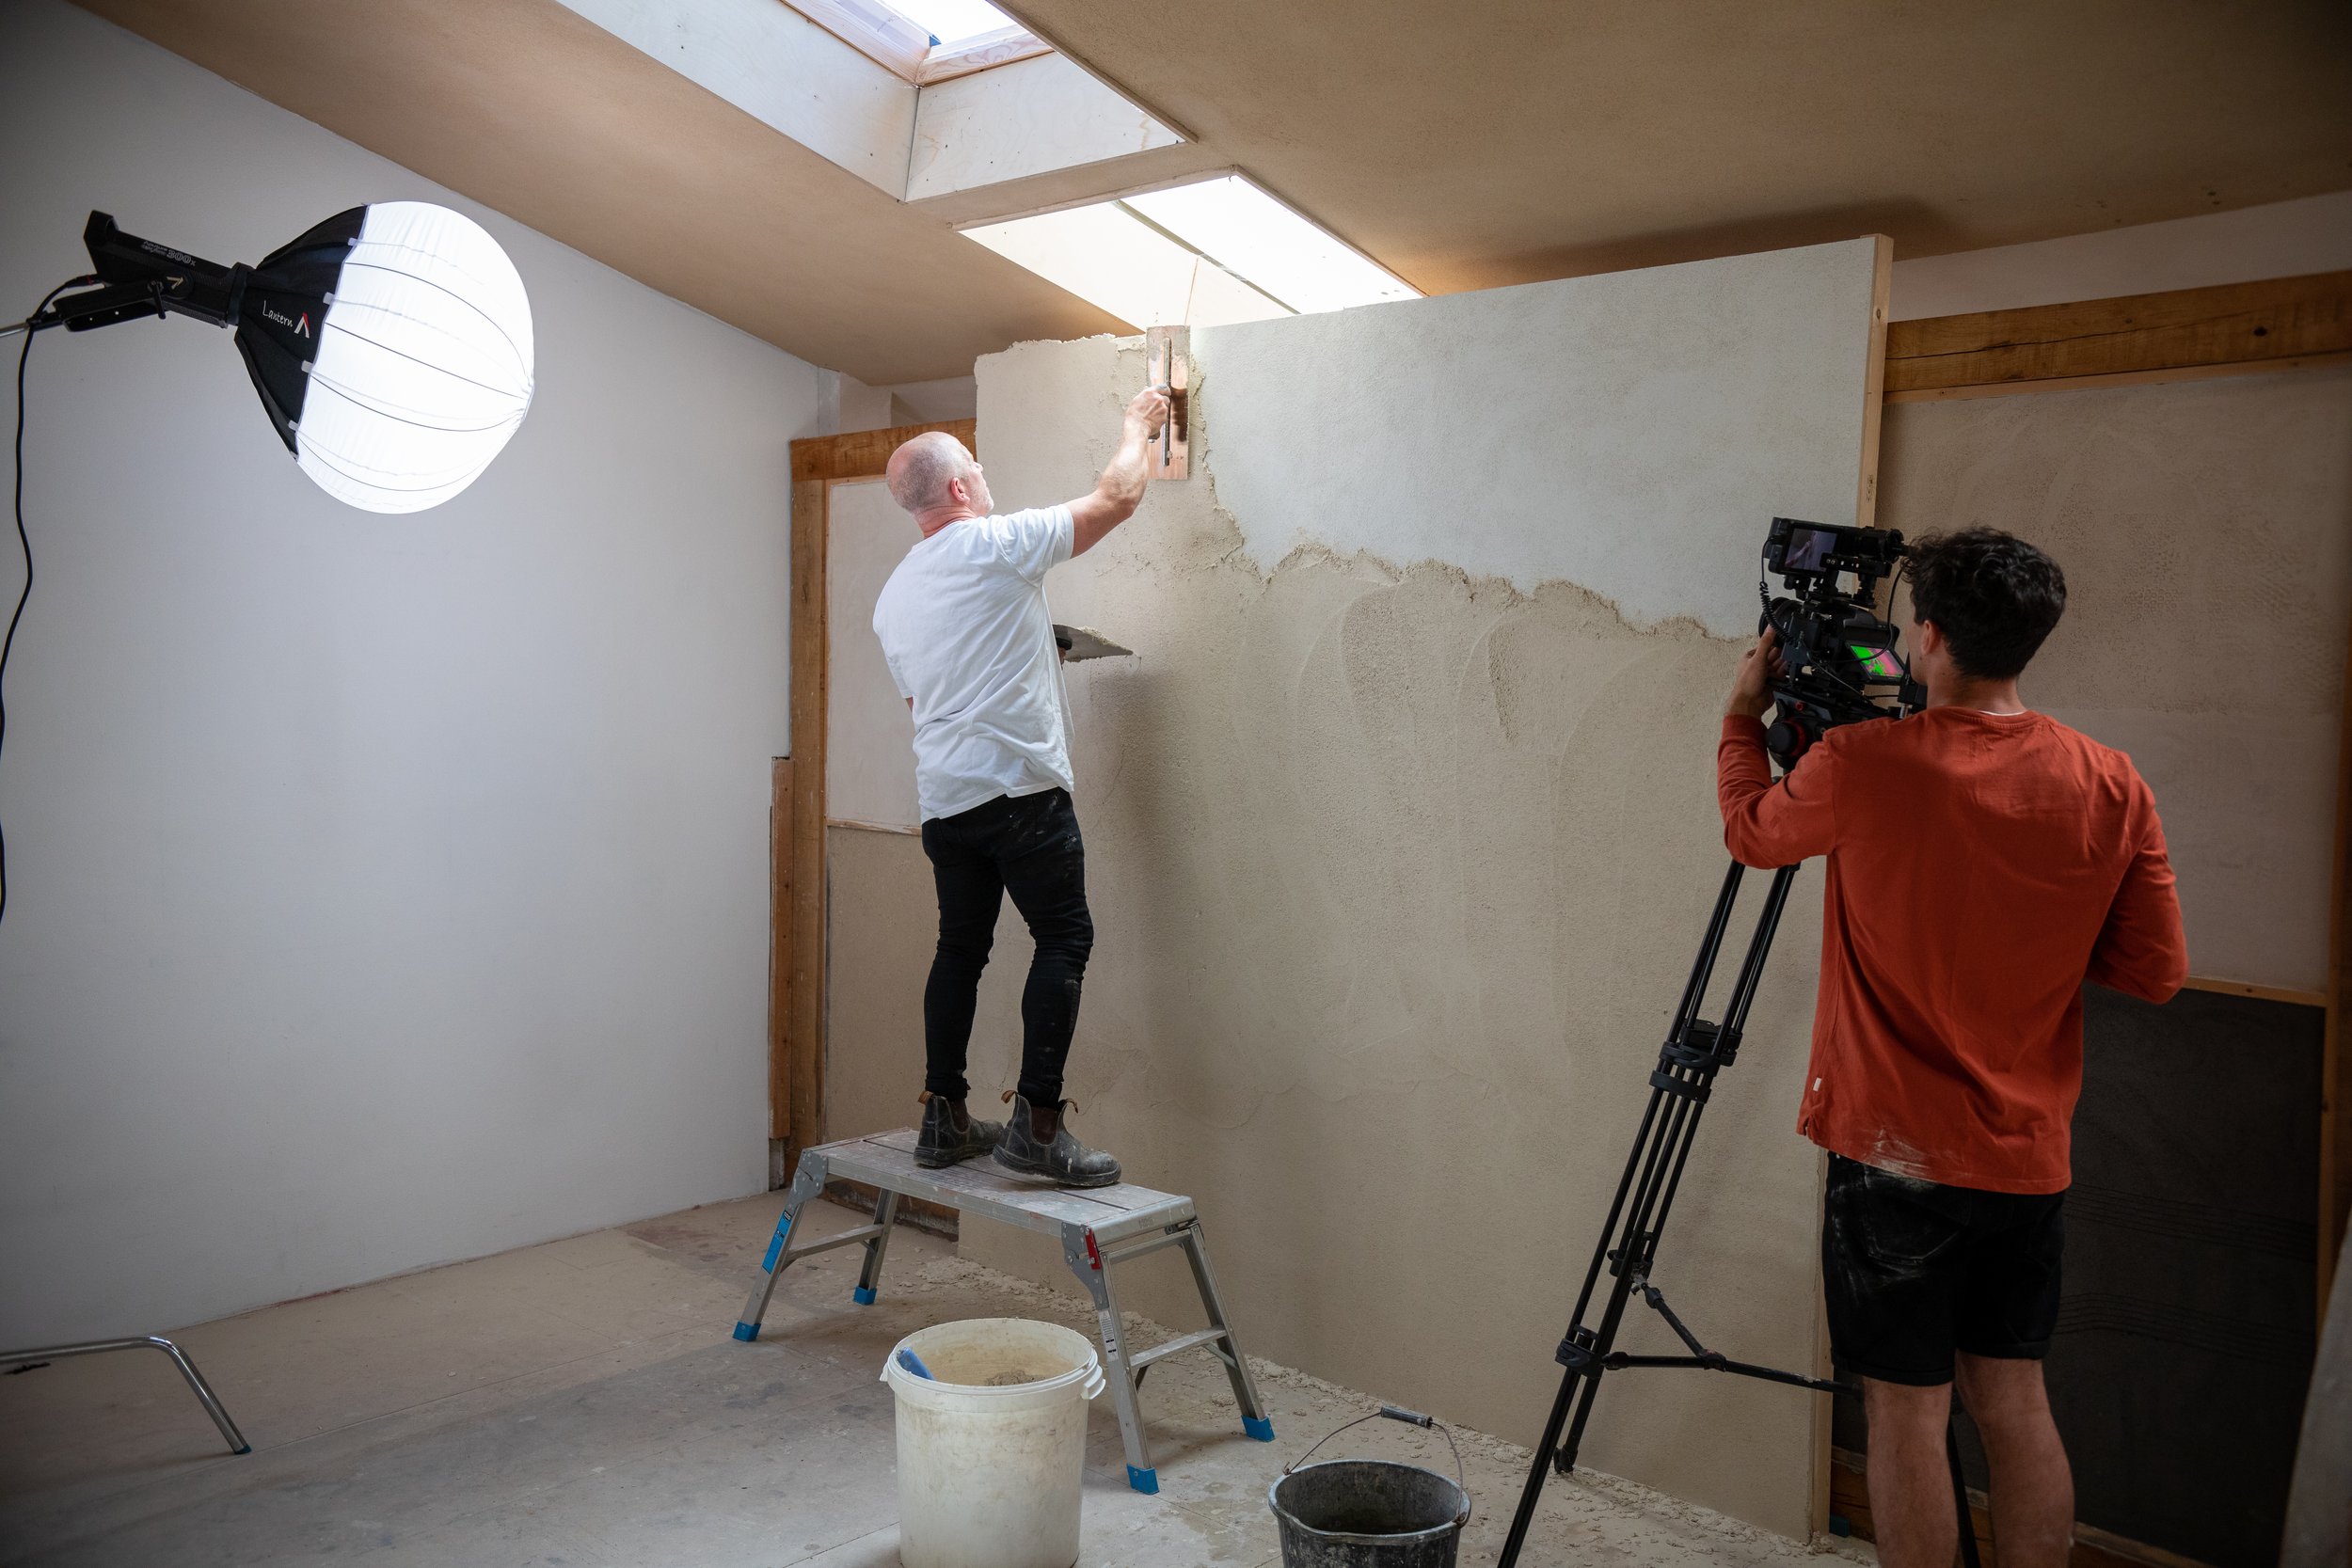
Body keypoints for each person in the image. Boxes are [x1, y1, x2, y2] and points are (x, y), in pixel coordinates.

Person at [1717, 528, 2186, 1568]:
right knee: (2013, 1398)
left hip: (1892, 1156)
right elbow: (2153, 969)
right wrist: (2030, 942)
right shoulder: (2112, 783)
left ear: (1926, 636)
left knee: (1906, 1413)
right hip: (2025, 1152)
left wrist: (1741, 714)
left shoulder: (1863, 763)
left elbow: (1751, 834)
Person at [871, 388, 1170, 1188]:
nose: (983, 469)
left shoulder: (893, 597)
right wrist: (1138, 425)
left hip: (947, 800)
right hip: (1021, 796)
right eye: (974, 463)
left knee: (959, 951)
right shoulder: (999, 545)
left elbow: (927, 696)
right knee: (1064, 938)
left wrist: (1037, 662)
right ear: (960, 489)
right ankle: (1038, 1125)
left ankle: (945, 1114)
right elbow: (1118, 497)